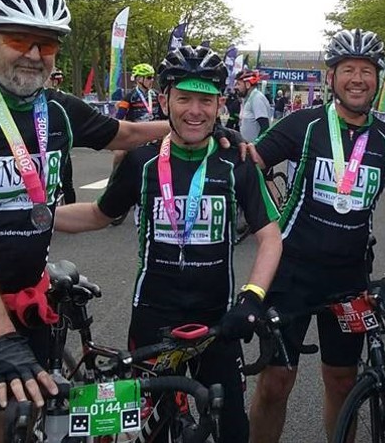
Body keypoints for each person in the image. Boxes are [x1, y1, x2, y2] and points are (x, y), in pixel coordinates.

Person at [0, 0, 174, 443]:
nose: (33, 54)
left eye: (46, 44)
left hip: (23, 298)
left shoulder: (59, 109)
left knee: (4, 431)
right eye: (18, 38)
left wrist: (191, 125)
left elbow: (124, 134)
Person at [54, 45, 283, 443]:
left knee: (233, 430)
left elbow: (270, 239)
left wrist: (252, 297)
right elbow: (98, 215)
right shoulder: (141, 160)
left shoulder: (237, 161)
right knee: (149, 434)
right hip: (153, 321)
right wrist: (33, 215)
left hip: (217, 323)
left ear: (220, 104)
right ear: (164, 101)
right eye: (184, 98)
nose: (195, 111)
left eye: (205, 100)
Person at [248, 28, 385, 442]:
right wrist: (264, 217)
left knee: (343, 382)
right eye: (348, 70)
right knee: (275, 383)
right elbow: (249, 163)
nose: (357, 78)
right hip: (290, 275)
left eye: (366, 71)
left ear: (377, 80)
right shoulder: (304, 125)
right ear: (331, 77)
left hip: (348, 280)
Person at [44, 68, 76, 203]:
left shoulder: (64, 99)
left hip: (58, 148)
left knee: (67, 184)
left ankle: (73, 216)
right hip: (36, 147)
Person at [236, 68, 271, 142]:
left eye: (238, 84)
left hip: (253, 149)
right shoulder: (247, 99)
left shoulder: (257, 98)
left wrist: (256, 145)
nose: (236, 87)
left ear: (248, 84)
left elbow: (265, 126)